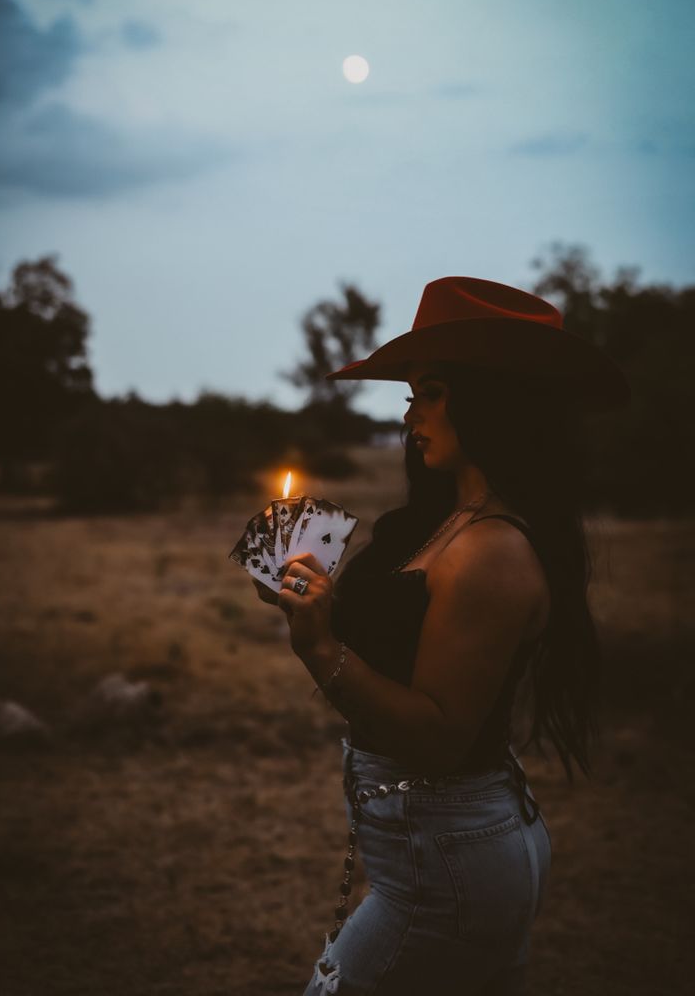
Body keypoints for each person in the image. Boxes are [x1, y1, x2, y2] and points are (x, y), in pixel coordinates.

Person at [252, 276, 630, 994]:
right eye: (412, 393)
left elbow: (439, 734)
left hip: (448, 863)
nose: (409, 411)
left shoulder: (494, 550)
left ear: (489, 399)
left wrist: (320, 649)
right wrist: (308, 604)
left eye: (430, 391)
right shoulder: (440, 522)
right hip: (439, 852)